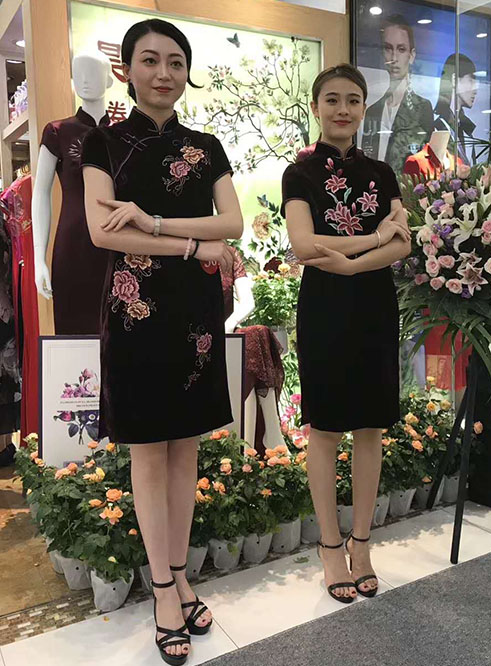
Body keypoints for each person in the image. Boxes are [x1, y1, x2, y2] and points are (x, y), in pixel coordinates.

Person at [81, 19, 243, 665]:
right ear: (126, 69)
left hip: (196, 314)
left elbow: (233, 221)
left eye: (176, 61)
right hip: (135, 311)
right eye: (149, 60)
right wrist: (193, 246)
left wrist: (151, 221)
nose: (164, 73)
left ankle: (178, 573)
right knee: (149, 450)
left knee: (186, 446)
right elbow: (102, 232)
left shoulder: (206, 145)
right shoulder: (102, 142)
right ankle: (164, 589)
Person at [282, 64, 411, 604]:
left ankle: (362, 542)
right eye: (332, 99)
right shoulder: (299, 174)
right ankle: (330, 546)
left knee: (370, 428)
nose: (342, 109)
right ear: (316, 107)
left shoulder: (382, 173)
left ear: (363, 109)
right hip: (325, 309)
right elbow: (303, 246)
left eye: (353, 100)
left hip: (373, 306)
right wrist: (373, 239)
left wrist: (353, 261)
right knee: (326, 429)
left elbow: (403, 243)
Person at [362, 14, 434, 174]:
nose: (394, 58)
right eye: (388, 48)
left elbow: (427, 162)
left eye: (401, 49)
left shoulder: (422, 108)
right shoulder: (373, 111)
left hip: (408, 188)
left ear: (411, 55)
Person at [434, 53, 478, 165]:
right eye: (471, 80)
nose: (475, 89)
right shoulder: (438, 128)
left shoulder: (466, 129)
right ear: (454, 80)